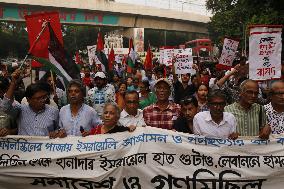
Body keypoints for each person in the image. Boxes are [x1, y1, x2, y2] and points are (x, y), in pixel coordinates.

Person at [1, 69, 58, 136]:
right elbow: (5, 106)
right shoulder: (20, 110)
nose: (43, 100)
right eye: (38, 98)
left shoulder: (54, 111)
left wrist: (57, 133)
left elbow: (58, 130)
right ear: (28, 100)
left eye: (44, 97)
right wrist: (13, 83)